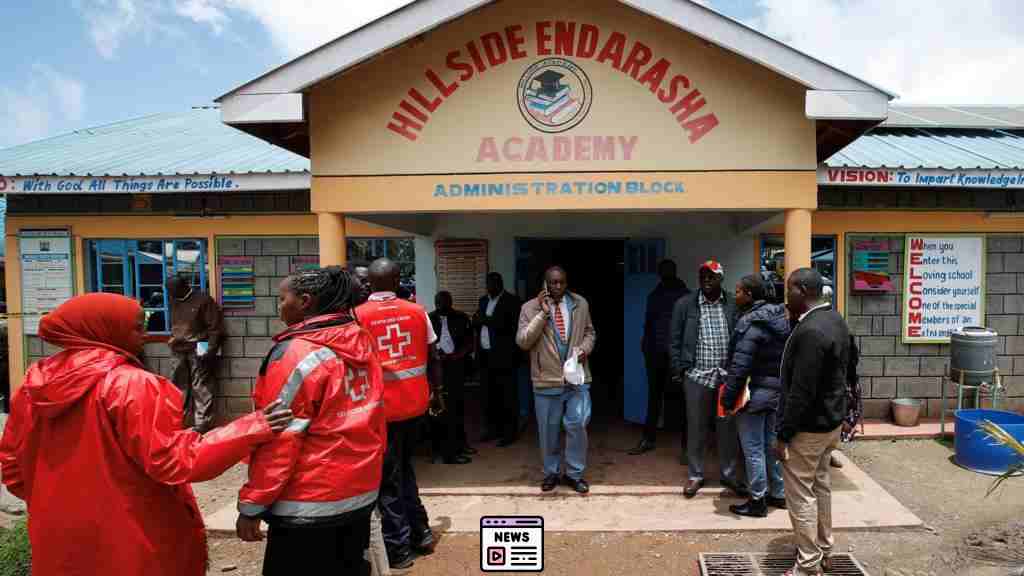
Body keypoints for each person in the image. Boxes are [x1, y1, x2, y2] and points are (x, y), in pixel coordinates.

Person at [0, 292, 292, 576]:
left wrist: (63, 500)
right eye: (138, 327)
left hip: (58, 540)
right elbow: (176, 461)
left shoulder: (32, 388)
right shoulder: (131, 385)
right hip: (135, 537)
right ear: (105, 329)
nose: (144, 334)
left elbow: (14, 472)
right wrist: (252, 428)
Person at [236, 266, 387, 576]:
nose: (279, 307)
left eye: (282, 299)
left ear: (305, 302)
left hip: (308, 504)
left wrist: (252, 505)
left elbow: (279, 438)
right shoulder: (361, 340)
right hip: (360, 492)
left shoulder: (296, 353)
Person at [354, 258, 443, 570]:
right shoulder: (417, 311)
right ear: (397, 281)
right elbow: (434, 355)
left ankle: (399, 548)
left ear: (371, 283)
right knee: (405, 469)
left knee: (388, 481)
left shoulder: (357, 315)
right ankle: (421, 533)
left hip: (381, 411)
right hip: (415, 405)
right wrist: (438, 392)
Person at [775, 268, 851, 576]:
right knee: (820, 486)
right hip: (830, 422)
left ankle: (807, 563)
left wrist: (783, 435)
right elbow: (849, 369)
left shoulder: (810, 332)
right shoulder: (835, 320)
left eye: (788, 290)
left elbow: (801, 392)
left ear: (802, 291)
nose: (785, 296)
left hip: (808, 429)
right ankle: (824, 549)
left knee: (801, 493)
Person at [517, 266, 596, 494]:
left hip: (577, 380)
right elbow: (523, 341)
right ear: (545, 284)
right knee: (548, 431)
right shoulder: (529, 308)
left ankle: (574, 474)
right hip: (546, 381)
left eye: (561, 282)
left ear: (567, 282)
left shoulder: (580, 304)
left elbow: (590, 332)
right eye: (553, 283)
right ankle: (551, 472)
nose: (558, 287)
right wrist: (542, 314)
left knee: (578, 424)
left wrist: (584, 349)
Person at [670, 260, 744, 499]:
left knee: (727, 428)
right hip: (697, 376)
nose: (706, 280)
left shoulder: (733, 303)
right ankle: (695, 475)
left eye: (711, 276)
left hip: (726, 378)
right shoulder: (685, 304)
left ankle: (730, 475)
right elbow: (674, 341)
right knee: (696, 428)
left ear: (721, 279)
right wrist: (679, 370)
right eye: (703, 276)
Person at [722, 274, 790, 518]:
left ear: (750, 295)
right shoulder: (782, 318)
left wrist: (727, 400)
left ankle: (757, 500)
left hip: (754, 395)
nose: (736, 295)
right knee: (770, 445)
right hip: (777, 393)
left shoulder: (751, 324)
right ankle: (779, 494)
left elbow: (739, 366)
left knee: (752, 449)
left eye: (739, 291)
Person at [630, 259, 690, 456]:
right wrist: (645, 345)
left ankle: (686, 448)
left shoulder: (685, 295)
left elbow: (688, 329)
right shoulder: (655, 294)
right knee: (654, 398)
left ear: (674, 271)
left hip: (676, 356)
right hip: (655, 353)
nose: (665, 274)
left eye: (668, 270)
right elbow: (649, 323)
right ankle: (648, 439)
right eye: (663, 271)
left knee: (682, 401)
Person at [166, 274, 225, 433]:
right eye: (169, 291)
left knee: (201, 386)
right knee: (178, 387)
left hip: (201, 345)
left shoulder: (204, 300)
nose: (171, 294)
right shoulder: (174, 300)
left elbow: (215, 329)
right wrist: (174, 338)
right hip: (178, 348)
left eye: (174, 290)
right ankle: (180, 422)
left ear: (184, 286)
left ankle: (202, 425)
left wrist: (209, 350)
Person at [474, 272, 523, 446]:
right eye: (488, 283)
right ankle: (492, 430)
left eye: (493, 283)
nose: (490, 286)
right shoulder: (483, 301)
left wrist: (486, 320)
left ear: (500, 283)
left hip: (504, 358)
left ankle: (509, 433)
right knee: (489, 396)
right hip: (485, 356)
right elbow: (477, 322)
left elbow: (510, 327)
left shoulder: (512, 301)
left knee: (507, 397)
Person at [429, 291, 474, 464]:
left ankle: (460, 444)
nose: (441, 305)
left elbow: (470, 342)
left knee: (458, 407)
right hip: (437, 369)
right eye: (438, 302)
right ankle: (439, 450)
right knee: (438, 410)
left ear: (451, 302)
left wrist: (457, 355)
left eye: (444, 302)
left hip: (456, 368)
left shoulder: (461, 318)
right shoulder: (429, 318)